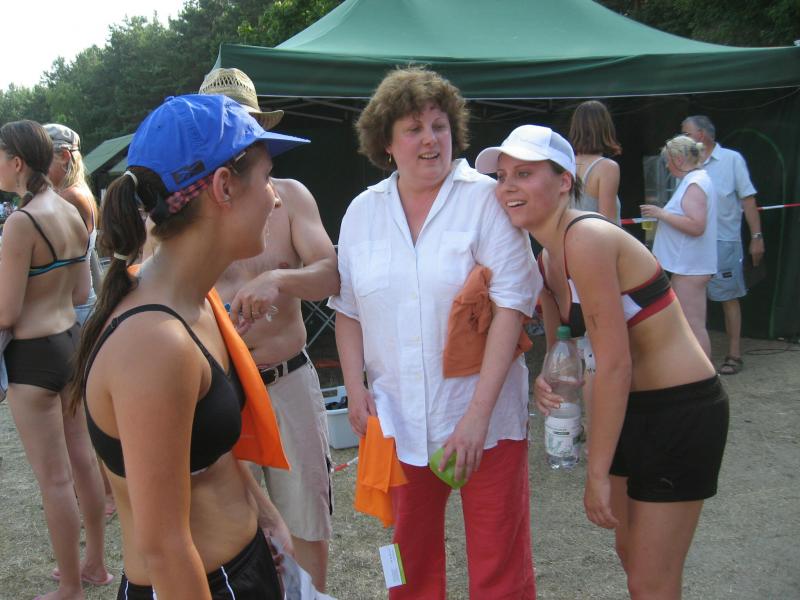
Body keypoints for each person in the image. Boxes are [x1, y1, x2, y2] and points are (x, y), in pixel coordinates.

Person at [68, 94, 308, 599]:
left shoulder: (193, 301)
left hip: (244, 565)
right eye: (267, 179)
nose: (275, 199)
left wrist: (267, 519)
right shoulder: (155, 342)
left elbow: (208, 450)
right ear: (224, 187)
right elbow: (164, 548)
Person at [477, 124, 729, 600]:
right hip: (632, 411)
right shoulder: (545, 260)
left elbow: (615, 364)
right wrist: (547, 381)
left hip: (680, 410)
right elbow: (564, 349)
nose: (508, 186)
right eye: (502, 176)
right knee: (631, 557)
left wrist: (596, 473)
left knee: (651, 580)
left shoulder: (586, 237)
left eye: (524, 173)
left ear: (564, 181)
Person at [329, 67, 540, 599]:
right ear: (386, 142)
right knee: (407, 563)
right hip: (397, 420)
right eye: (414, 129)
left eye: (439, 126)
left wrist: (476, 418)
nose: (430, 140)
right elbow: (348, 310)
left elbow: (513, 306)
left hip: (485, 421)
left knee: (499, 567)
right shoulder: (362, 213)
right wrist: (354, 387)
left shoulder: (485, 199)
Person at [197, 67, 339, 592]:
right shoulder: (188, 209)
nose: (235, 134)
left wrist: (278, 279)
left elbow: (330, 275)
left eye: (244, 122)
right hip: (221, 391)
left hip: (287, 379)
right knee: (231, 528)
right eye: (223, 124)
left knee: (307, 518)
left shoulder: (290, 196)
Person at [0, 120, 112, 599]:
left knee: (54, 480)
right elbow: (82, 291)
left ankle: (70, 586)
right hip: (70, 341)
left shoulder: (21, 222)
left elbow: (7, 312)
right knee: (83, 463)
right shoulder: (71, 209)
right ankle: (95, 565)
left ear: (17, 162)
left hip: (33, 355)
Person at [681, 115, 763, 375]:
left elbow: (748, 200)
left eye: (686, 133)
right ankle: (697, 356)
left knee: (729, 298)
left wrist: (756, 237)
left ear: (701, 135)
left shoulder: (732, 159)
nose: (682, 138)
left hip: (724, 242)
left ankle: (734, 354)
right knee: (694, 300)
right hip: (693, 242)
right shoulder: (685, 162)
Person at [641, 135, 716, 358]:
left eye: (668, 160)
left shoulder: (695, 183)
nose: (666, 165)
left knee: (693, 325)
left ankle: (706, 375)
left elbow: (696, 226)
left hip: (690, 266)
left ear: (679, 159)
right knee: (690, 324)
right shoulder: (695, 180)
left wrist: (661, 213)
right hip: (687, 265)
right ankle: (698, 372)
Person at [44, 124, 100, 325]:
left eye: (42, 159)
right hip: (78, 306)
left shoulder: (69, 197)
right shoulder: (79, 191)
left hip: (73, 309)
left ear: (64, 156)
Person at [569, 100, 622, 223]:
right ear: (606, 128)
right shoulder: (607, 167)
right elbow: (608, 223)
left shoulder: (564, 164)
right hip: (595, 235)